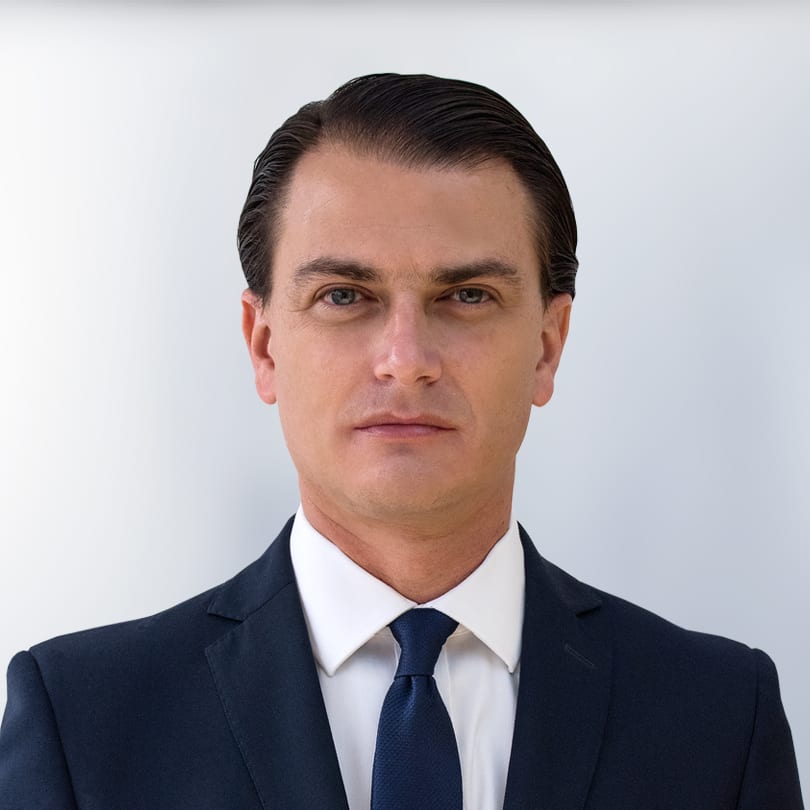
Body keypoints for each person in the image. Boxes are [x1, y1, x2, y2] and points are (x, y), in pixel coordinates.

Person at [0, 73, 803, 809]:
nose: (406, 359)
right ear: (264, 345)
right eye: (344, 295)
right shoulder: (82, 723)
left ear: (547, 347)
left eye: (468, 295)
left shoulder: (718, 717)